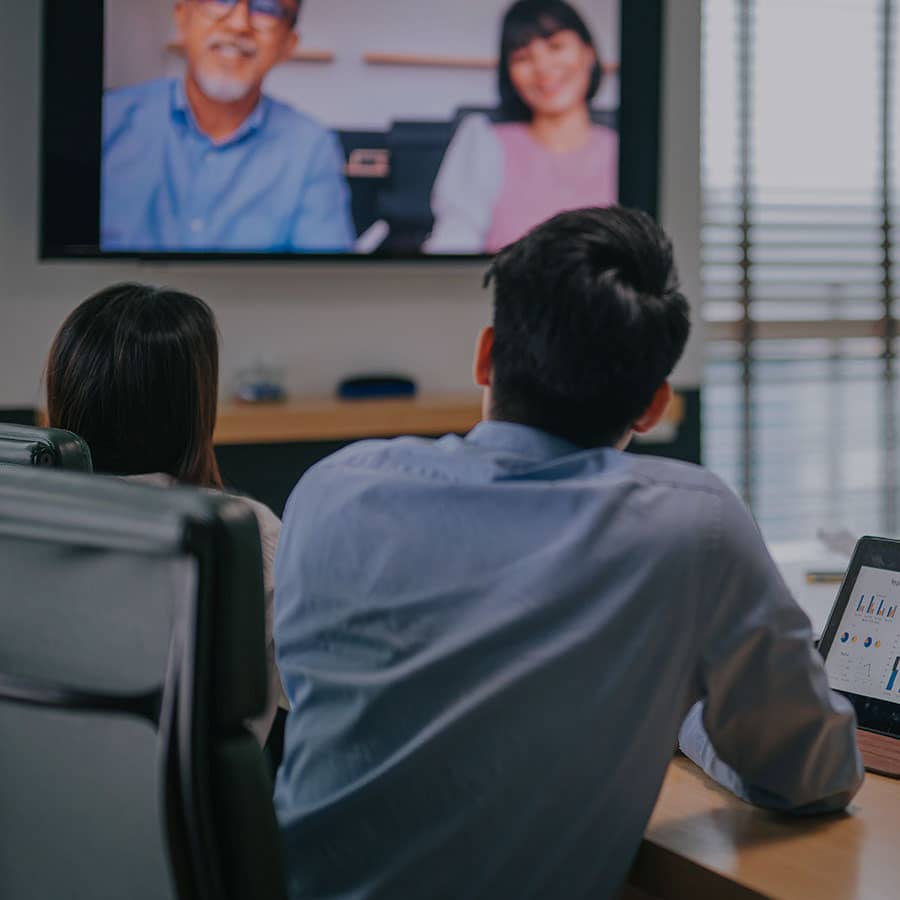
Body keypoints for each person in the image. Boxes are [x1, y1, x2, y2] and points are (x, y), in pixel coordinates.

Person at [273, 206, 863, 899]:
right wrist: (679, 710)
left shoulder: (332, 491)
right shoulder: (691, 527)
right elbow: (811, 774)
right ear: (652, 406)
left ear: (486, 355)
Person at [45, 283, 282, 744]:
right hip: (185, 813)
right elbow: (315, 695)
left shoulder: (22, 522)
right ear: (194, 407)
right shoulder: (244, 532)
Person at [102, 0, 355, 253]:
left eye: (266, 8)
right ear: (182, 15)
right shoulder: (108, 119)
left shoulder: (311, 146)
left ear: (288, 43)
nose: (238, 24)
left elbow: (327, 284)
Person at [424, 0, 618, 254]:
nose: (543, 68)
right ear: (509, 73)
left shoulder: (626, 148)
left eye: (556, 46)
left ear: (588, 53)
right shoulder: (483, 140)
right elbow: (452, 243)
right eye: (523, 57)